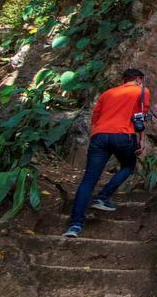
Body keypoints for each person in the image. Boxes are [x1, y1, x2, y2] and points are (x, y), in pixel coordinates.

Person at [63, 68, 150, 238]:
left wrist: (95, 139)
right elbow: (140, 117)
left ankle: (74, 226)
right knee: (129, 165)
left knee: (88, 179)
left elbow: (94, 119)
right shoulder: (141, 91)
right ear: (139, 79)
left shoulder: (107, 93)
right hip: (123, 135)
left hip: (99, 136)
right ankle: (103, 197)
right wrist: (141, 140)